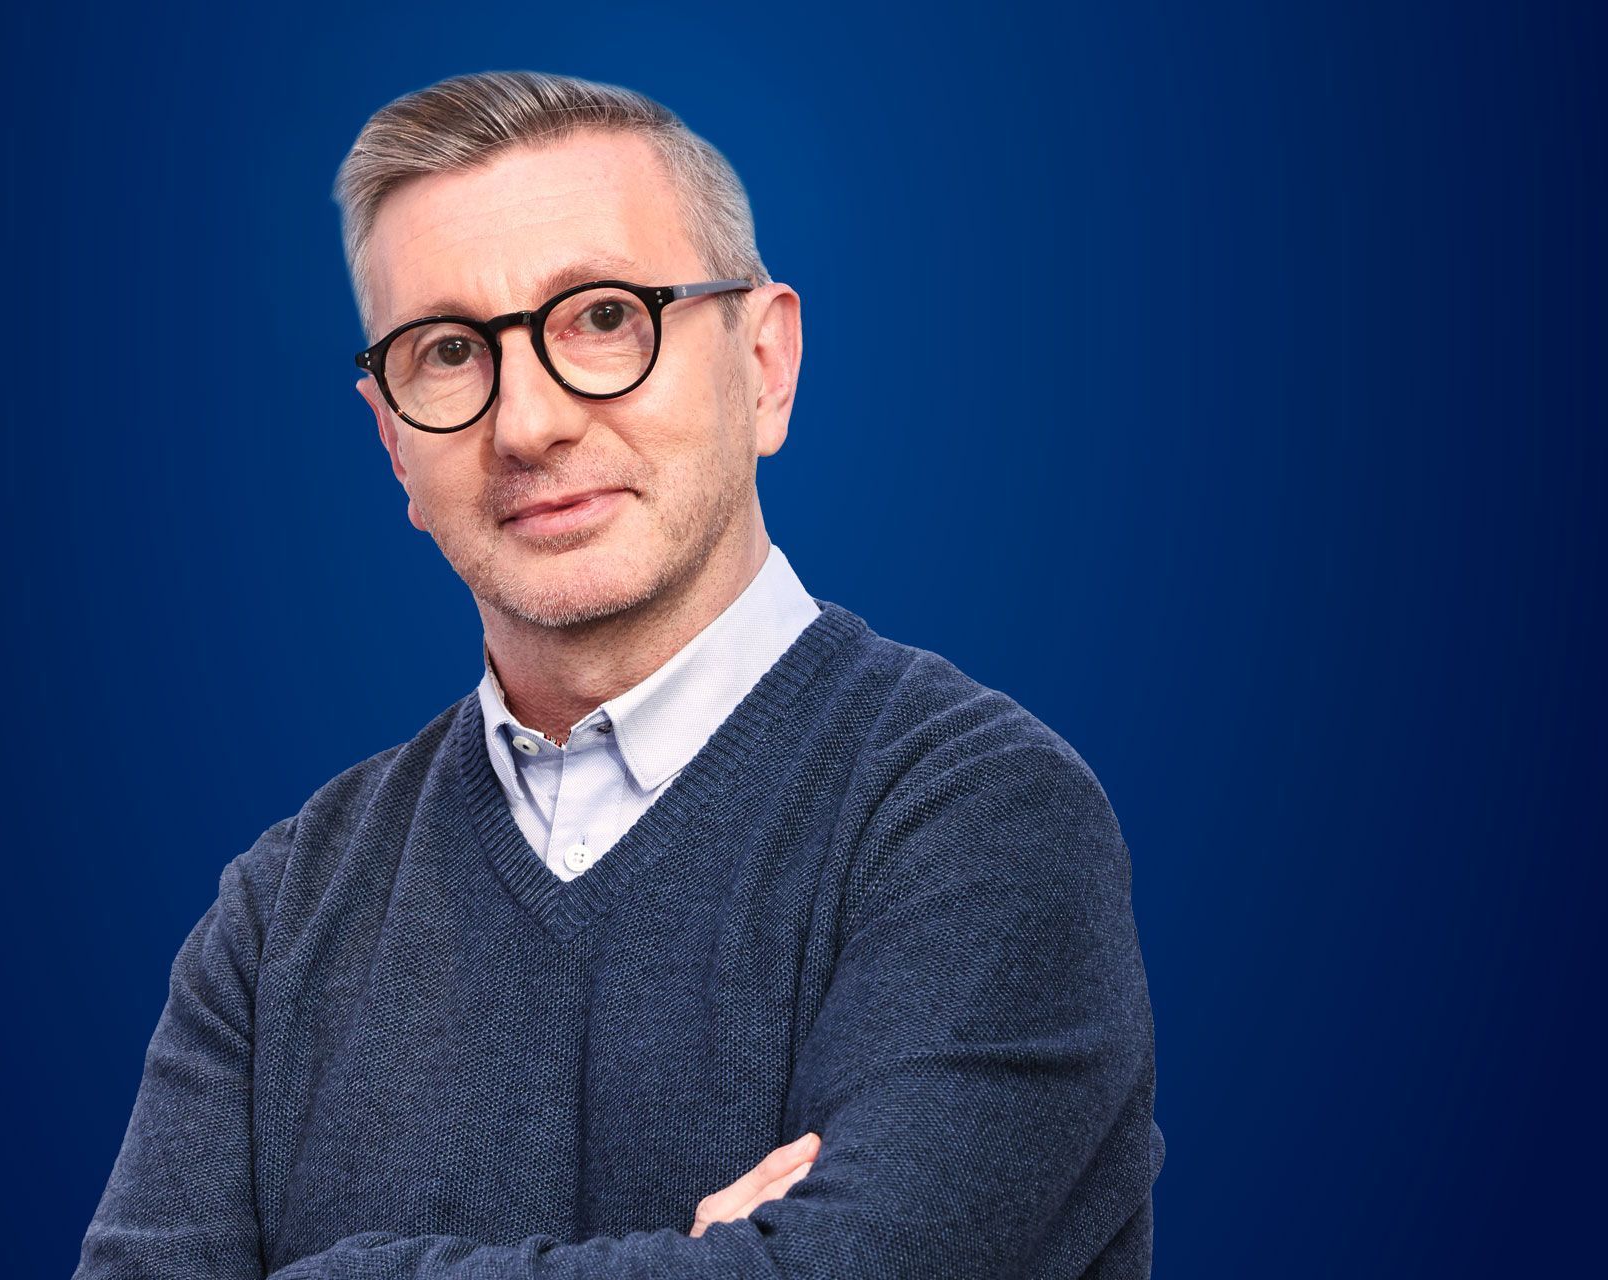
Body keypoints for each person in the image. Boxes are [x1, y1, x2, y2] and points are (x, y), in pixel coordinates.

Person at [73, 71, 1162, 1279]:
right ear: (391, 441)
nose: (527, 423)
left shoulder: (981, 818)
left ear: (765, 364)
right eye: (448, 351)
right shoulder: (278, 918)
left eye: (602, 317)